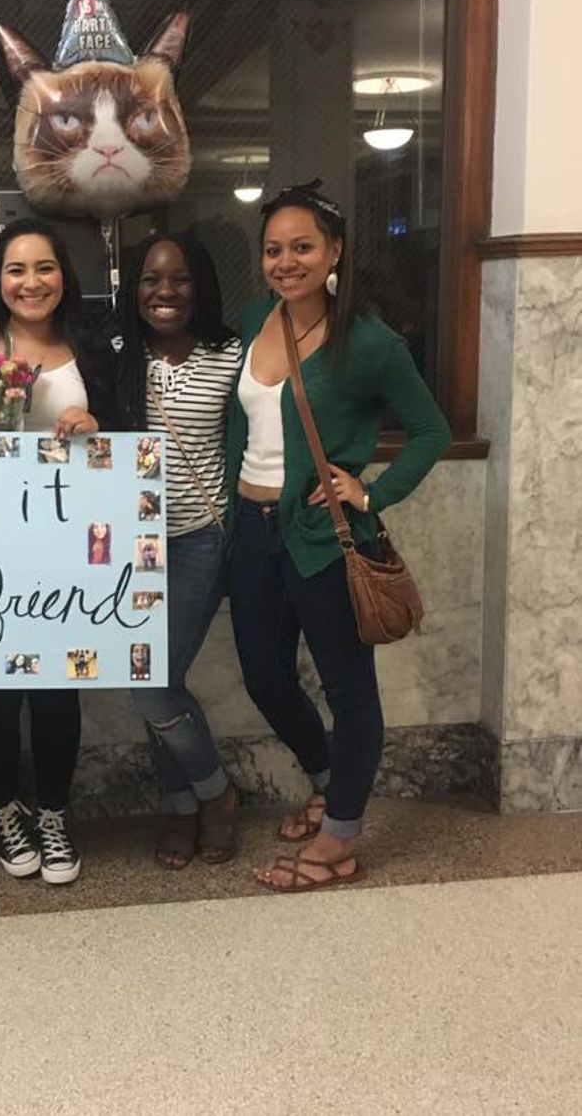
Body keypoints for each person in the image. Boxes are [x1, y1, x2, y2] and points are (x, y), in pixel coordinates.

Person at [226, 180, 451, 892]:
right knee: (265, 678)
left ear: (335, 252)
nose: (285, 262)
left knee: (350, 690)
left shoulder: (369, 341)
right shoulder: (256, 318)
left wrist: (370, 492)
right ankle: (328, 781)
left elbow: (431, 431)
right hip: (251, 530)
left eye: (302, 247)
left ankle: (340, 839)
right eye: (273, 250)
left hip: (321, 537)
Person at [0, 217, 107, 885]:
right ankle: (4, 809)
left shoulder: (92, 349)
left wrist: (96, 425)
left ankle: (52, 813)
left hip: (68, 552)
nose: (31, 282)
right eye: (16, 269)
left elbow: (128, 440)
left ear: (63, 275)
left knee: (57, 691)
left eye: (44, 267)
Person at [112, 231, 244, 868]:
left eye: (180, 279)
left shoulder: (231, 354)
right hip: (126, 545)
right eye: (151, 280)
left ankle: (213, 797)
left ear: (201, 286)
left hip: (199, 540)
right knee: (154, 680)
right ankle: (187, 805)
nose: (165, 292)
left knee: (153, 681)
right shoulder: (114, 354)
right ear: (132, 288)